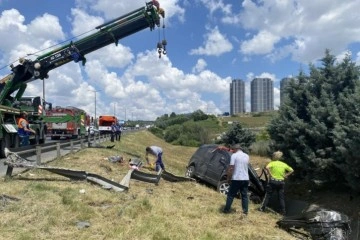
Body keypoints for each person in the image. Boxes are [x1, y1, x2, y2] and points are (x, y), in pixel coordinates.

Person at [259, 151, 294, 215]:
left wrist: (270, 174)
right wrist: (286, 175)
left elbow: (267, 167)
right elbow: (291, 170)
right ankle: (283, 211)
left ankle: (262, 208)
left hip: (273, 181)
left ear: (274, 157)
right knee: (281, 197)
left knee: (268, 195)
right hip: (281, 182)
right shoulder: (283, 164)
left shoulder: (272, 163)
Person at [223, 143, 250, 216]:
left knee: (231, 195)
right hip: (245, 178)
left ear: (236, 149)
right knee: (244, 196)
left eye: (233, 149)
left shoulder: (234, 156)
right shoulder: (247, 156)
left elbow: (231, 167)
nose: (232, 151)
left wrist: (228, 177)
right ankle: (245, 211)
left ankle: (226, 210)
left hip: (237, 178)